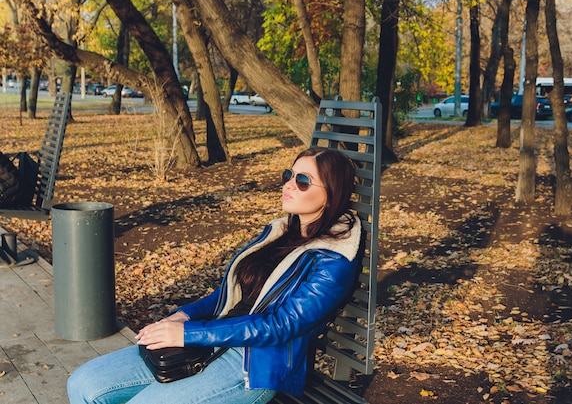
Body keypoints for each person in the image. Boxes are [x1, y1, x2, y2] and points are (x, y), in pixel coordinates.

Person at [67, 147, 362, 404]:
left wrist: (188, 334)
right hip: (213, 335)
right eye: (289, 175)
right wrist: (185, 316)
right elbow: (231, 292)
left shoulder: (334, 259)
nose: (289, 185)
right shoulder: (282, 232)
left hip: (252, 364)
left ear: (330, 195)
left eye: (303, 181)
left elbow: (281, 326)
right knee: (83, 384)